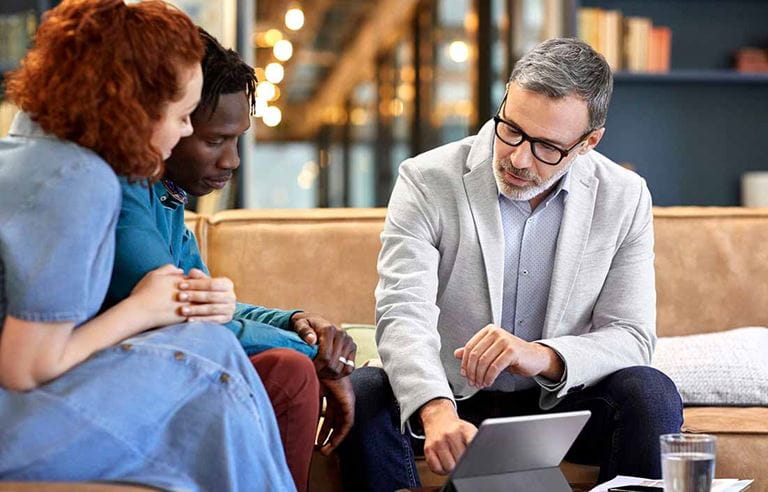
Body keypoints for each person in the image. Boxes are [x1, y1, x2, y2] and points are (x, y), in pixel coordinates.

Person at [337, 38, 684, 491]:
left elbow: (632, 336)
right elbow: (403, 313)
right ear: (503, 103)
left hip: (560, 405)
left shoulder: (625, 195)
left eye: (546, 147)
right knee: (364, 393)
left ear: (588, 142)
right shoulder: (426, 180)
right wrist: (436, 408)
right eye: (512, 129)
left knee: (650, 391)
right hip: (451, 401)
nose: (518, 158)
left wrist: (540, 355)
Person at [0, 1, 294, 490]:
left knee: (206, 348)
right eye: (181, 115)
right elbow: (25, 364)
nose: (183, 131)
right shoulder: (80, 179)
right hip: (14, 415)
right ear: (133, 105)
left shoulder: (27, 154)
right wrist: (144, 308)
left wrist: (192, 304)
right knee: (210, 361)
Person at [103, 29, 356, 492]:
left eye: (238, 139)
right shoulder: (121, 194)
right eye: (215, 139)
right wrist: (315, 353)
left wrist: (295, 321)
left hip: (157, 366)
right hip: (111, 380)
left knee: (288, 367)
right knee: (291, 372)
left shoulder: (167, 196)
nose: (234, 160)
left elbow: (212, 308)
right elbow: (185, 319)